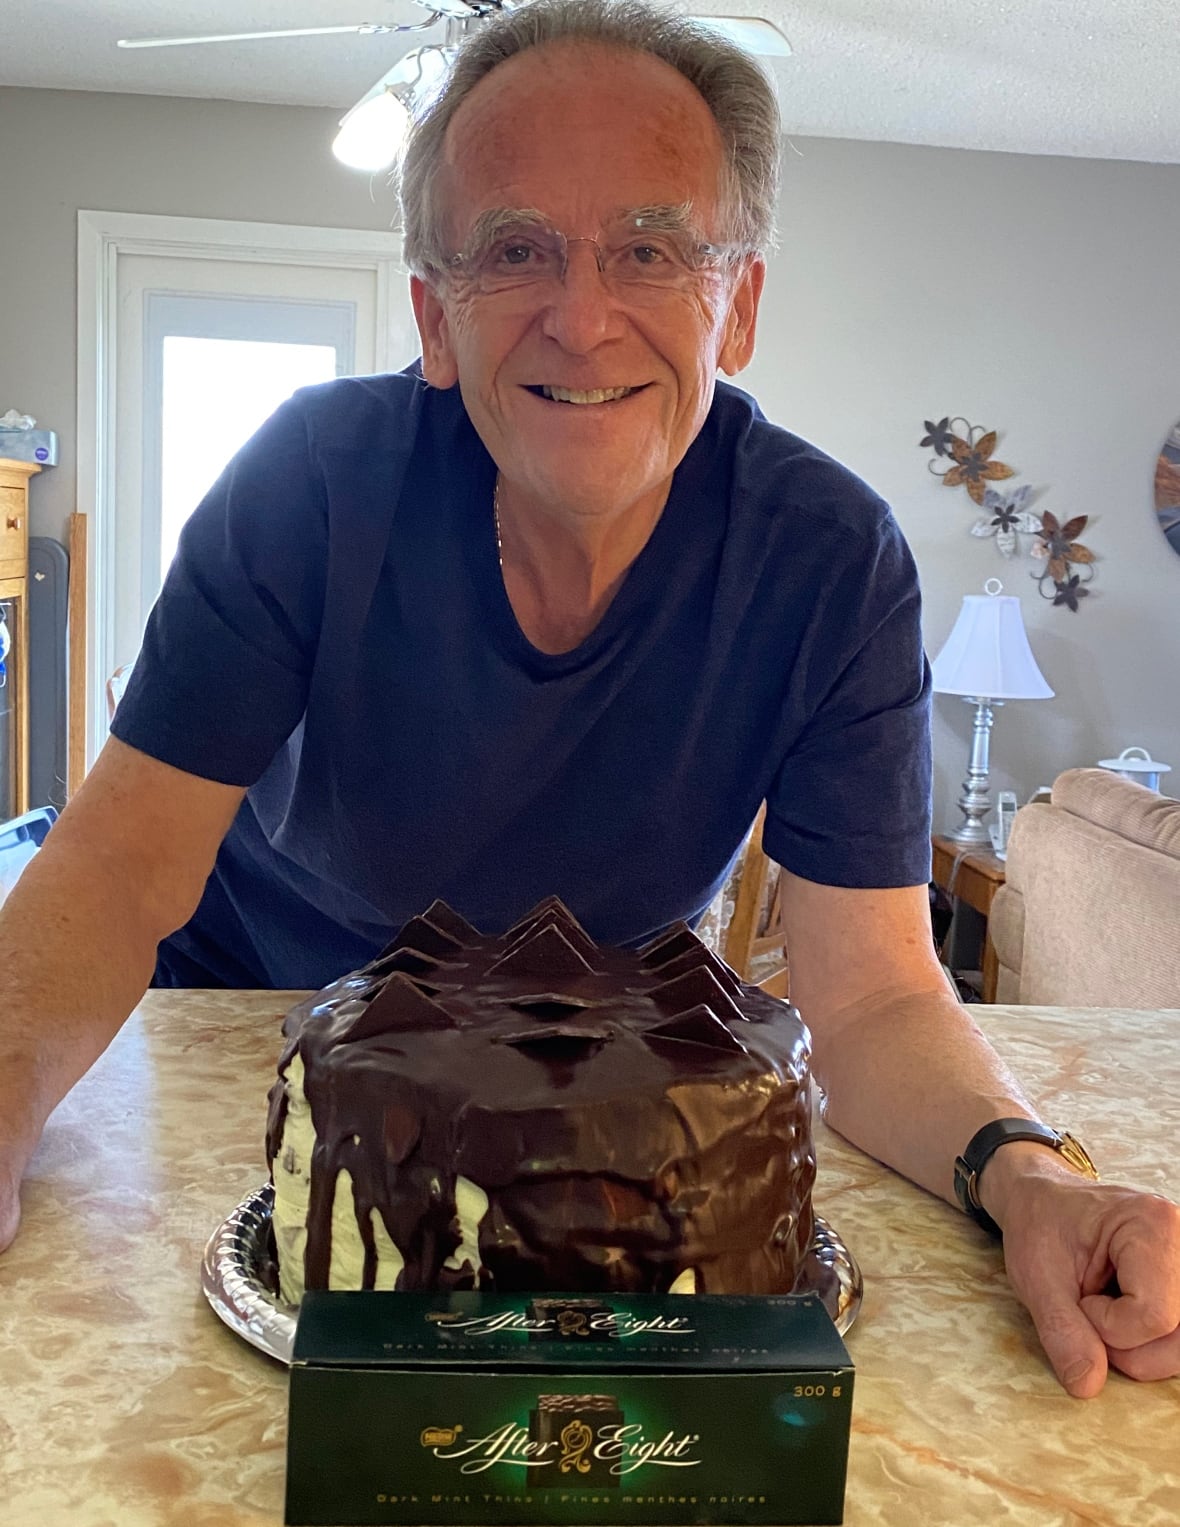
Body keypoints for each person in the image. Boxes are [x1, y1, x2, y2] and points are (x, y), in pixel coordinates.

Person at [0, 0, 1176, 1396]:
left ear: (736, 305)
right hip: (259, 1043)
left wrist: (1030, 1178)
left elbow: (869, 1002)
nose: (581, 311)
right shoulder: (309, 486)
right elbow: (119, 872)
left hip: (594, 1103)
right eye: (514, 250)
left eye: (649, 246)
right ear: (434, 319)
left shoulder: (828, 562)